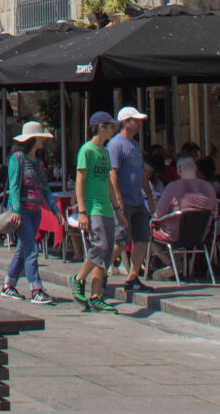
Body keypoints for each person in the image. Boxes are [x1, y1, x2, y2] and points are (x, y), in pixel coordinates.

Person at [0, 121, 63, 304]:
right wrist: (17, 210)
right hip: (22, 212)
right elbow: (14, 187)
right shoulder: (17, 159)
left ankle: (8, 284)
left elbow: (44, 188)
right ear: (34, 140)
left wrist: (54, 210)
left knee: (23, 249)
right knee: (31, 250)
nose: (43, 141)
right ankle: (36, 289)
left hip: (36, 211)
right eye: (41, 138)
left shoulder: (38, 162)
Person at [72, 112, 123, 313]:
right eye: (111, 126)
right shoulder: (87, 150)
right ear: (102, 126)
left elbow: (109, 183)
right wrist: (82, 210)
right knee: (99, 246)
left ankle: (96, 295)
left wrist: (117, 208)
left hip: (107, 208)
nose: (114, 129)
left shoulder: (104, 152)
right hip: (93, 208)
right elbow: (80, 180)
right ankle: (78, 279)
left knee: (106, 252)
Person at [108, 106, 153, 294]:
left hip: (137, 201)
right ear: (126, 122)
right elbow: (113, 173)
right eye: (136, 120)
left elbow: (141, 172)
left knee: (142, 239)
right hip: (124, 202)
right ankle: (100, 270)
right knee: (120, 242)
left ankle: (133, 277)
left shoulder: (134, 146)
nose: (140, 123)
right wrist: (118, 199)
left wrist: (149, 195)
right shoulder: (115, 145)